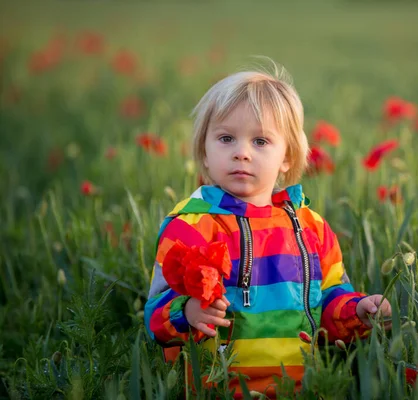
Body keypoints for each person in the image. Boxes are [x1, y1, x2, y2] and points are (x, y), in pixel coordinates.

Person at [144, 61, 392, 397]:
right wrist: (187, 312)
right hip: (216, 389)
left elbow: (330, 298)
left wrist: (357, 311)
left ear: (287, 157)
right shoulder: (191, 225)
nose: (241, 153)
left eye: (260, 141)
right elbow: (155, 316)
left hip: (301, 388)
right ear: (204, 152)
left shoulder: (310, 228)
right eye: (226, 138)